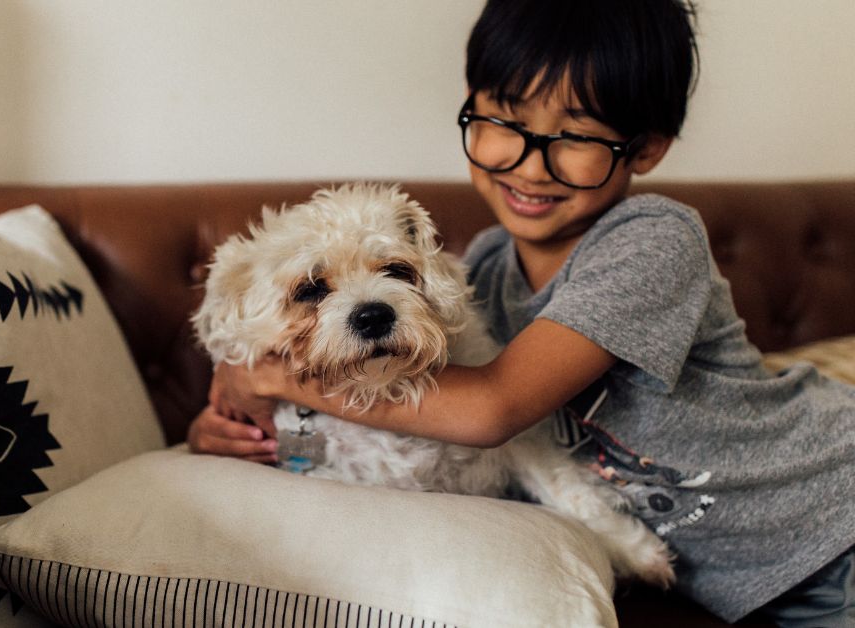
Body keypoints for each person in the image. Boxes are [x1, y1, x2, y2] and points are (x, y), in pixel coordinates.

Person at [186, 0, 855, 625]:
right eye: (505, 118)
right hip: (745, 587)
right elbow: (392, 414)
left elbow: (490, 409)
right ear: (470, 106)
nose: (531, 165)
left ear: (646, 147)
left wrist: (271, 379)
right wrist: (237, 428)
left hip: (829, 524)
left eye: (575, 134)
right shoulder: (481, 267)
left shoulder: (653, 239)